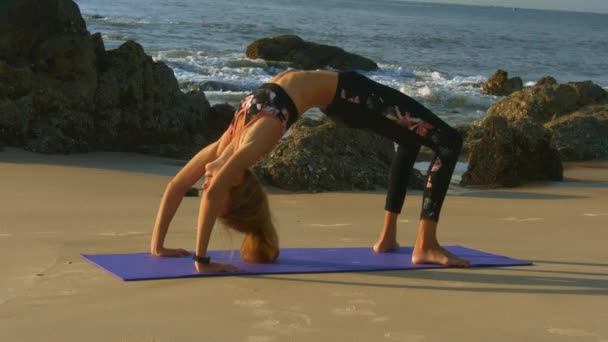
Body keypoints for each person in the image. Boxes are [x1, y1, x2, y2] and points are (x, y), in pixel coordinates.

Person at [149, 70, 470, 273]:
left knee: (408, 140)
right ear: (237, 183)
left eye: (209, 189)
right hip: (353, 97)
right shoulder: (258, 140)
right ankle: (425, 244)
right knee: (449, 142)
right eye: (215, 193)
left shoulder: (225, 144)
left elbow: (177, 185)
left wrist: (158, 245)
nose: (207, 186)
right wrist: (201, 261)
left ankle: (387, 239)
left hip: (345, 99)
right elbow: (215, 187)